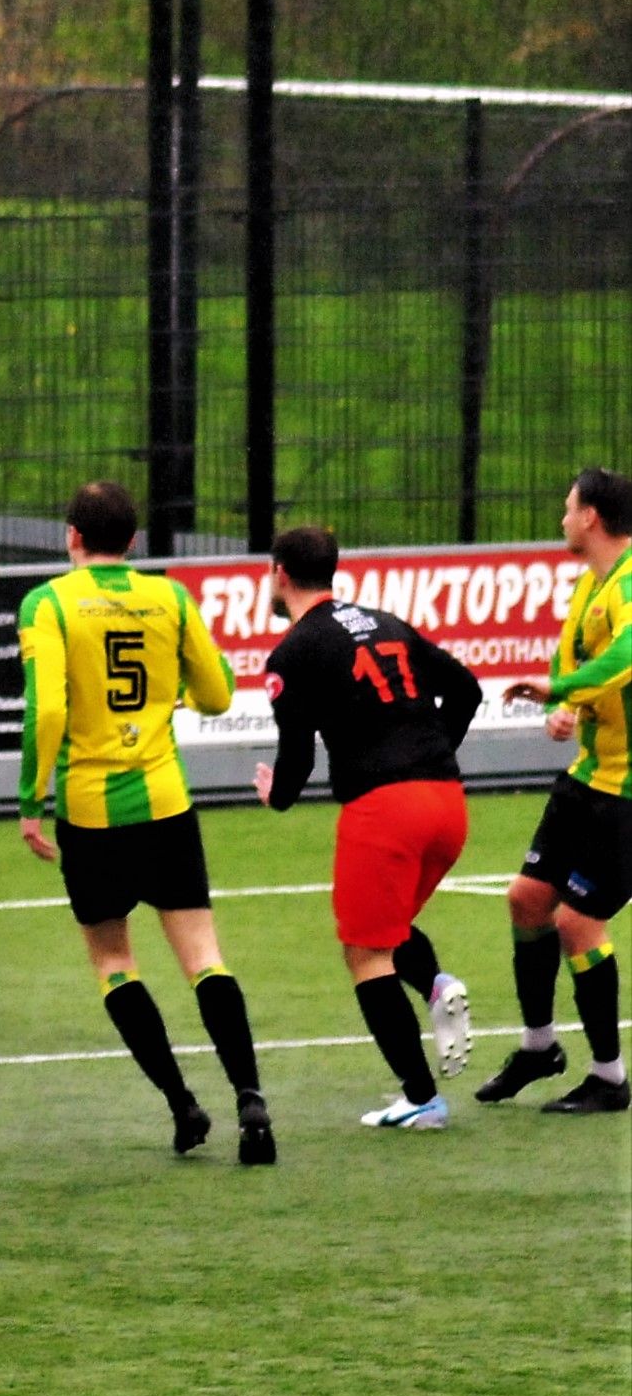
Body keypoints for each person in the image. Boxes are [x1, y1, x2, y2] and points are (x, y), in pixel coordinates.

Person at [18, 481, 274, 1163]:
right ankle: (250, 1097)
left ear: (71, 534)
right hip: (165, 803)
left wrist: (28, 798)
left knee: (113, 962)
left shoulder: (47, 604)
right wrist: (175, 693)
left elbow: (45, 712)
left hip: (90, 813)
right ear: (132, 541)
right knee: (203, 958)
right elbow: (218, 694)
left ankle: (182, 1105)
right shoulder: (169, 597)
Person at [249, 526, 480, 1129]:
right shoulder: (386, 622)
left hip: (385, 812)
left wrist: (277, 798)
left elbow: (296, 757)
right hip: (447, 804)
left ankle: (421, 1096)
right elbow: (467, 689)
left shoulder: (291, 653)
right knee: (390, 926)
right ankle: (435, 984)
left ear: (278, 573)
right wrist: (432, 756)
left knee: (365, 951)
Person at [474, 465, 632, 1116]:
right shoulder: (588, 586)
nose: (562, 519)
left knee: (577, 921)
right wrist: (560, 705)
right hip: (587, 776)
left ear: (590, 517)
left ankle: (609, 1076)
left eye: (567, 509)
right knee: (527, 898)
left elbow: (625, 654)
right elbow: (569, 662)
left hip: (626, 792)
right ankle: (539, 1047)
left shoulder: (627, 584)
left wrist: (563, 690)